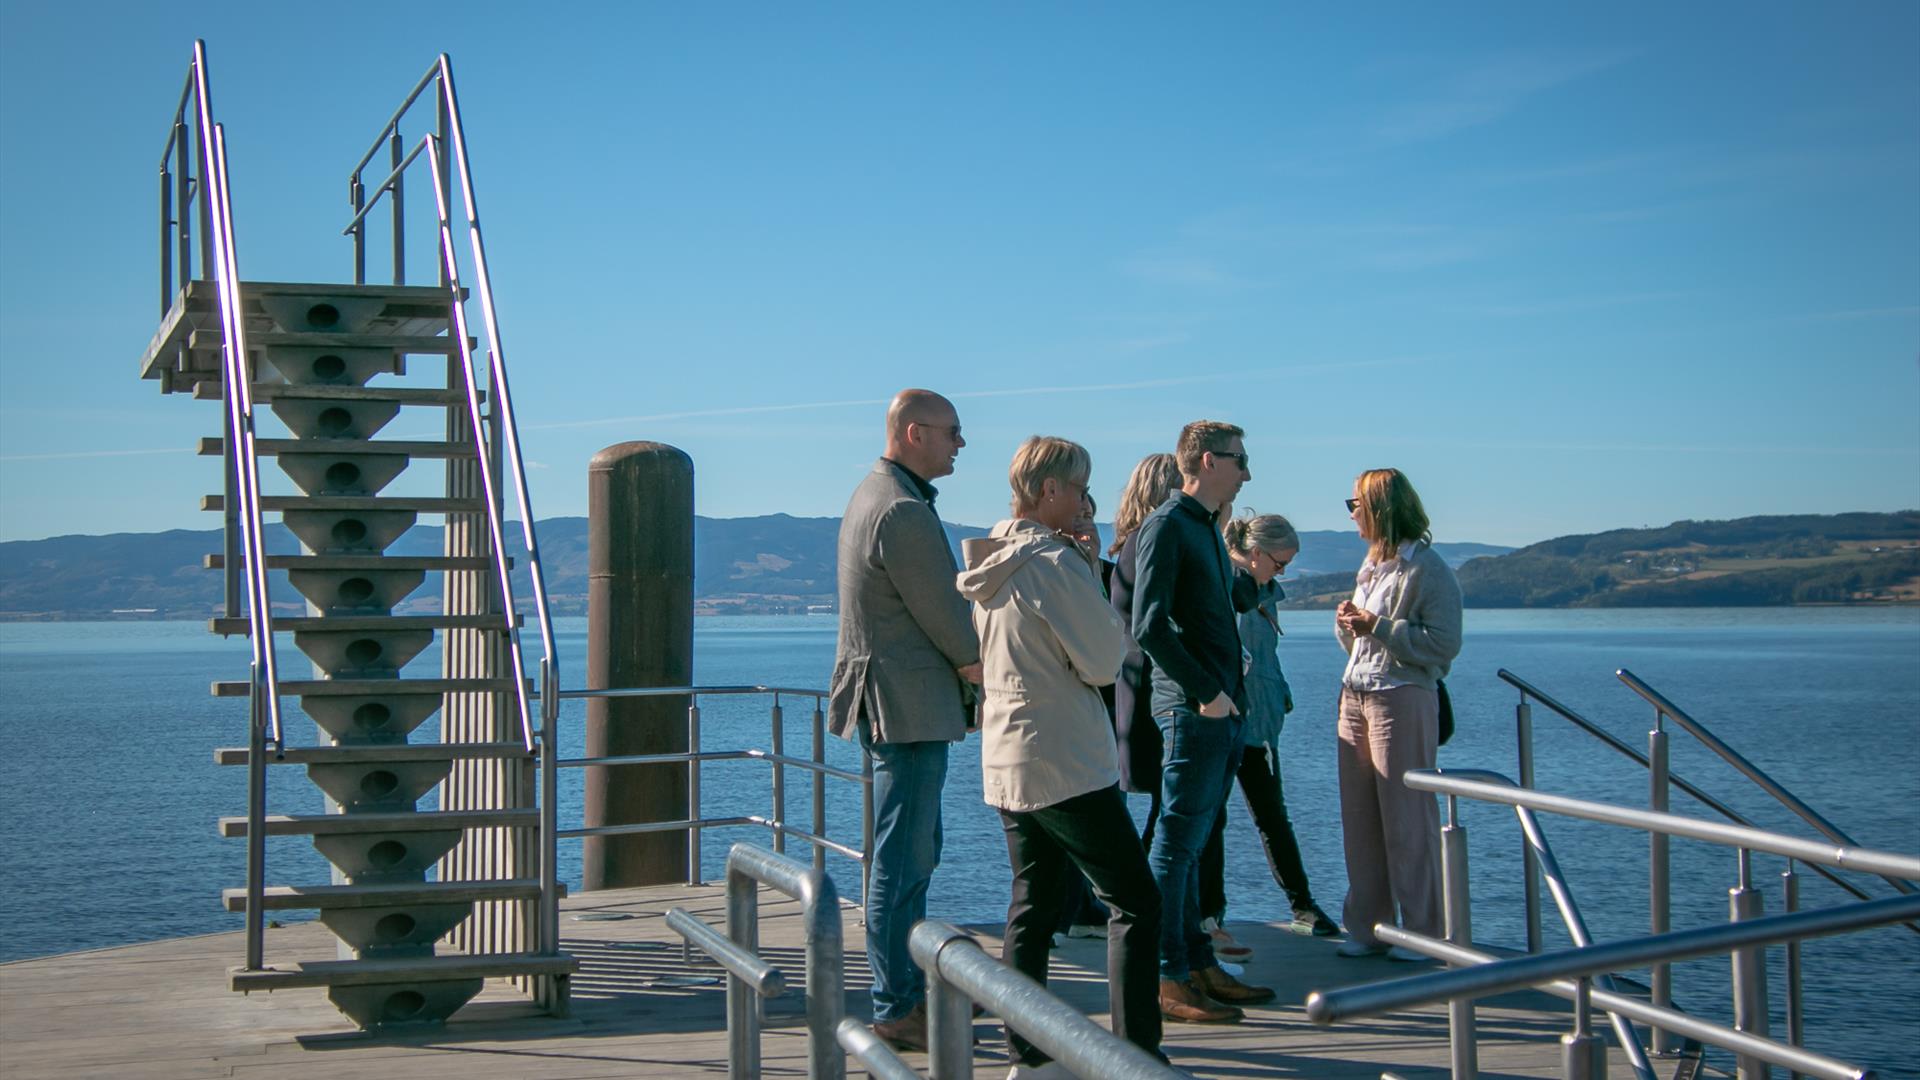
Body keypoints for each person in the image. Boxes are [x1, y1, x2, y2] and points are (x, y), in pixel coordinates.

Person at [957, 436, 1163, 1075]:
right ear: (1049, 491)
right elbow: (1106, 662)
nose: (1085, 502)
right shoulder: (1053, 564)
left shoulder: (994, 557)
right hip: (1067, 759)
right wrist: (1090, 574)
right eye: (1078, 489)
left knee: (1034, 906)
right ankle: (1136, 1056)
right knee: (1135, 902)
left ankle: (1030, 1056)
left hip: (1009, 756)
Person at [827, 389, 983, 1049]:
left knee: (907, 852)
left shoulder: (874, 495)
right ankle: (897, 1006)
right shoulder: (903, 509)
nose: (960, 444)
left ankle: (907, 994)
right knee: (905, 856)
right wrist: (984, 675)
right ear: (915, 432)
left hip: (891, 700)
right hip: (909, 705)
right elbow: (946, 616)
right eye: (952, 432)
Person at [1130, 421, 1275, 1023]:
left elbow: (1215, 604)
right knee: (1176, 846)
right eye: (1240, 460)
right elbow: (1150, 624)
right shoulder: (1166, 525)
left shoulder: (1205, 529)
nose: (1247, 472)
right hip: (1195, 711)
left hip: (1221, 709)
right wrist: (1207, 693)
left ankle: (1195, 963)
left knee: (1191, 846)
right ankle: (1168, 977)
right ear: (1209, 461)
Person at [1333, 468, 1463, 961]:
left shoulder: (1428, 569)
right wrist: (1350, 625)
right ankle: (1369, 927)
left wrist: (1379, 626)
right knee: (1360, 817)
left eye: (1356, 504)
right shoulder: (1372, 566)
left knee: (1408, 819)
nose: (1352, 514)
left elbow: (1444, 644)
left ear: (1379, 508)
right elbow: (1360, 644)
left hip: (1400, 696)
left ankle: (1424, 931)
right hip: (1355, 695)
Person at [1211, 513, 1340, 939]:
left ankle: (1302, 904)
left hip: (1260, 725)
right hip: (1227, 719)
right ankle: (1207, 914)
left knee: (1271, 817)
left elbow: (1265, 658)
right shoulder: (1224, 585)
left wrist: (1278, 698)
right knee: (1209, 820)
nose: (1282, 572)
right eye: (1279, 563)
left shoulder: (1265, 592)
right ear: (1254, 552)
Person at [1106, 453, 1182, 844]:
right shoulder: (1151, 545)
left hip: (1131, 681)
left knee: (1163, 803)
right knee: (1171, 804)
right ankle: (1151, 897)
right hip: (1155, 685)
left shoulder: (1127, 549)